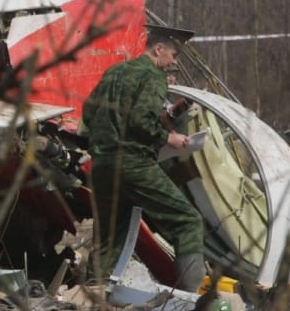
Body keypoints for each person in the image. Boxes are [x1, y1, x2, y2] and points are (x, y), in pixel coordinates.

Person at [82, 24, 205, 292]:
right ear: (158, 49)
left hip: (102, 165)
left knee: (109, 236)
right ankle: (191, 299)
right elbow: (140, 120)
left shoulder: (114, 72)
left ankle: (93, 295)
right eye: (173, 55)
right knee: (187, 221)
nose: (173, 62)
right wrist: (169, 138)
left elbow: (89, 114)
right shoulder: (152, 76)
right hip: (133, 163)